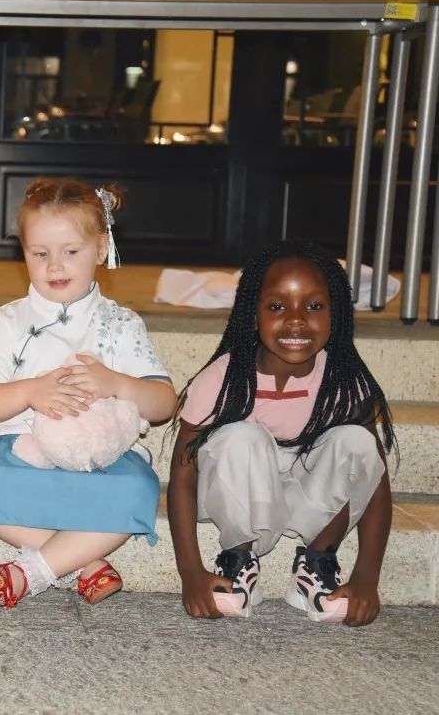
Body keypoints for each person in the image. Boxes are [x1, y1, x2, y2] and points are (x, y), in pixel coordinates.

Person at [0, 177, 176, 608]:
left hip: (100, 457)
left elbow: (164, 403)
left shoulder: (121, 324)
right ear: (24, 254)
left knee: (140, 489)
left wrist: (117, 383)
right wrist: (29, 391)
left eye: (71, 252)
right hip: (20, 451)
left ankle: (32, 571)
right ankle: (80, 563)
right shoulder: (9, 321)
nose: (55, 267)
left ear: (100, 248)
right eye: (40, 254)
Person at [168, 241, 396, 626]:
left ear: (336, 314)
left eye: (314, 306)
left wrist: (367, 578)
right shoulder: (224, 379)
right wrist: (190, 572)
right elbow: (183, 471)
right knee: (239, 436)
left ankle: (317, 564)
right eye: (277, 307)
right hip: (242, 496)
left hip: (310, 498)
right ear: (253, 314)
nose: (296, 321)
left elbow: (374, 481)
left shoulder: (344, 382)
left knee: (359, 443)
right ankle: (238, 560)